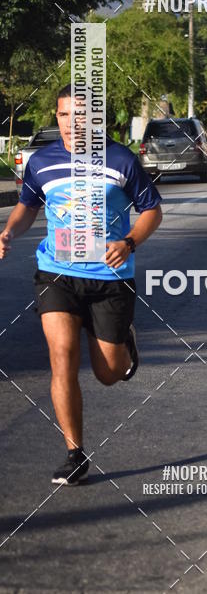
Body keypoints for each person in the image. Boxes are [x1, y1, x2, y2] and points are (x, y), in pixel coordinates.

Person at [0, 84, 162, 485]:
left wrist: (129, 242)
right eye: (63, 115)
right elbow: (27, 207)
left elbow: (152, 211)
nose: (71, 124)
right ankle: (74, 453)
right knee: (62, 354)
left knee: (110, 372)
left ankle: (125, 342)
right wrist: (8, 232)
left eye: (80, 115)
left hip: (109, 276)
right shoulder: (42, 162)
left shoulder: (120, 159)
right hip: (56, 272)